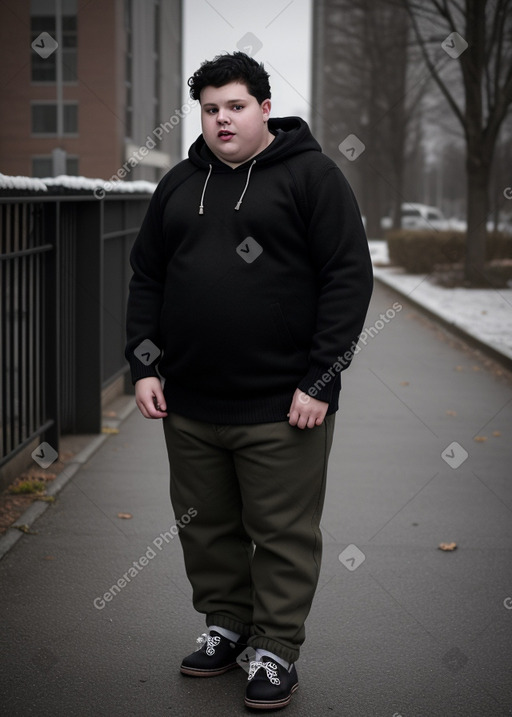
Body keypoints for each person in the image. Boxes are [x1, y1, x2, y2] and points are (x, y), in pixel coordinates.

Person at [125, 51, 373, 711]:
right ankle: (227, 625)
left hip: (283, 402)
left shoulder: (313, 177)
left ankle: (276, 648)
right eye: (210, 109)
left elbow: (348, 279)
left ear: (265, 107)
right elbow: (147, 276)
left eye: (234, 106)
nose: (222, 119)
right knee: (205, 525)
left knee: (282, 531)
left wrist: (320, 380)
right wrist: (145, 363)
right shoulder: (178, 184)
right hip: (190, 399)